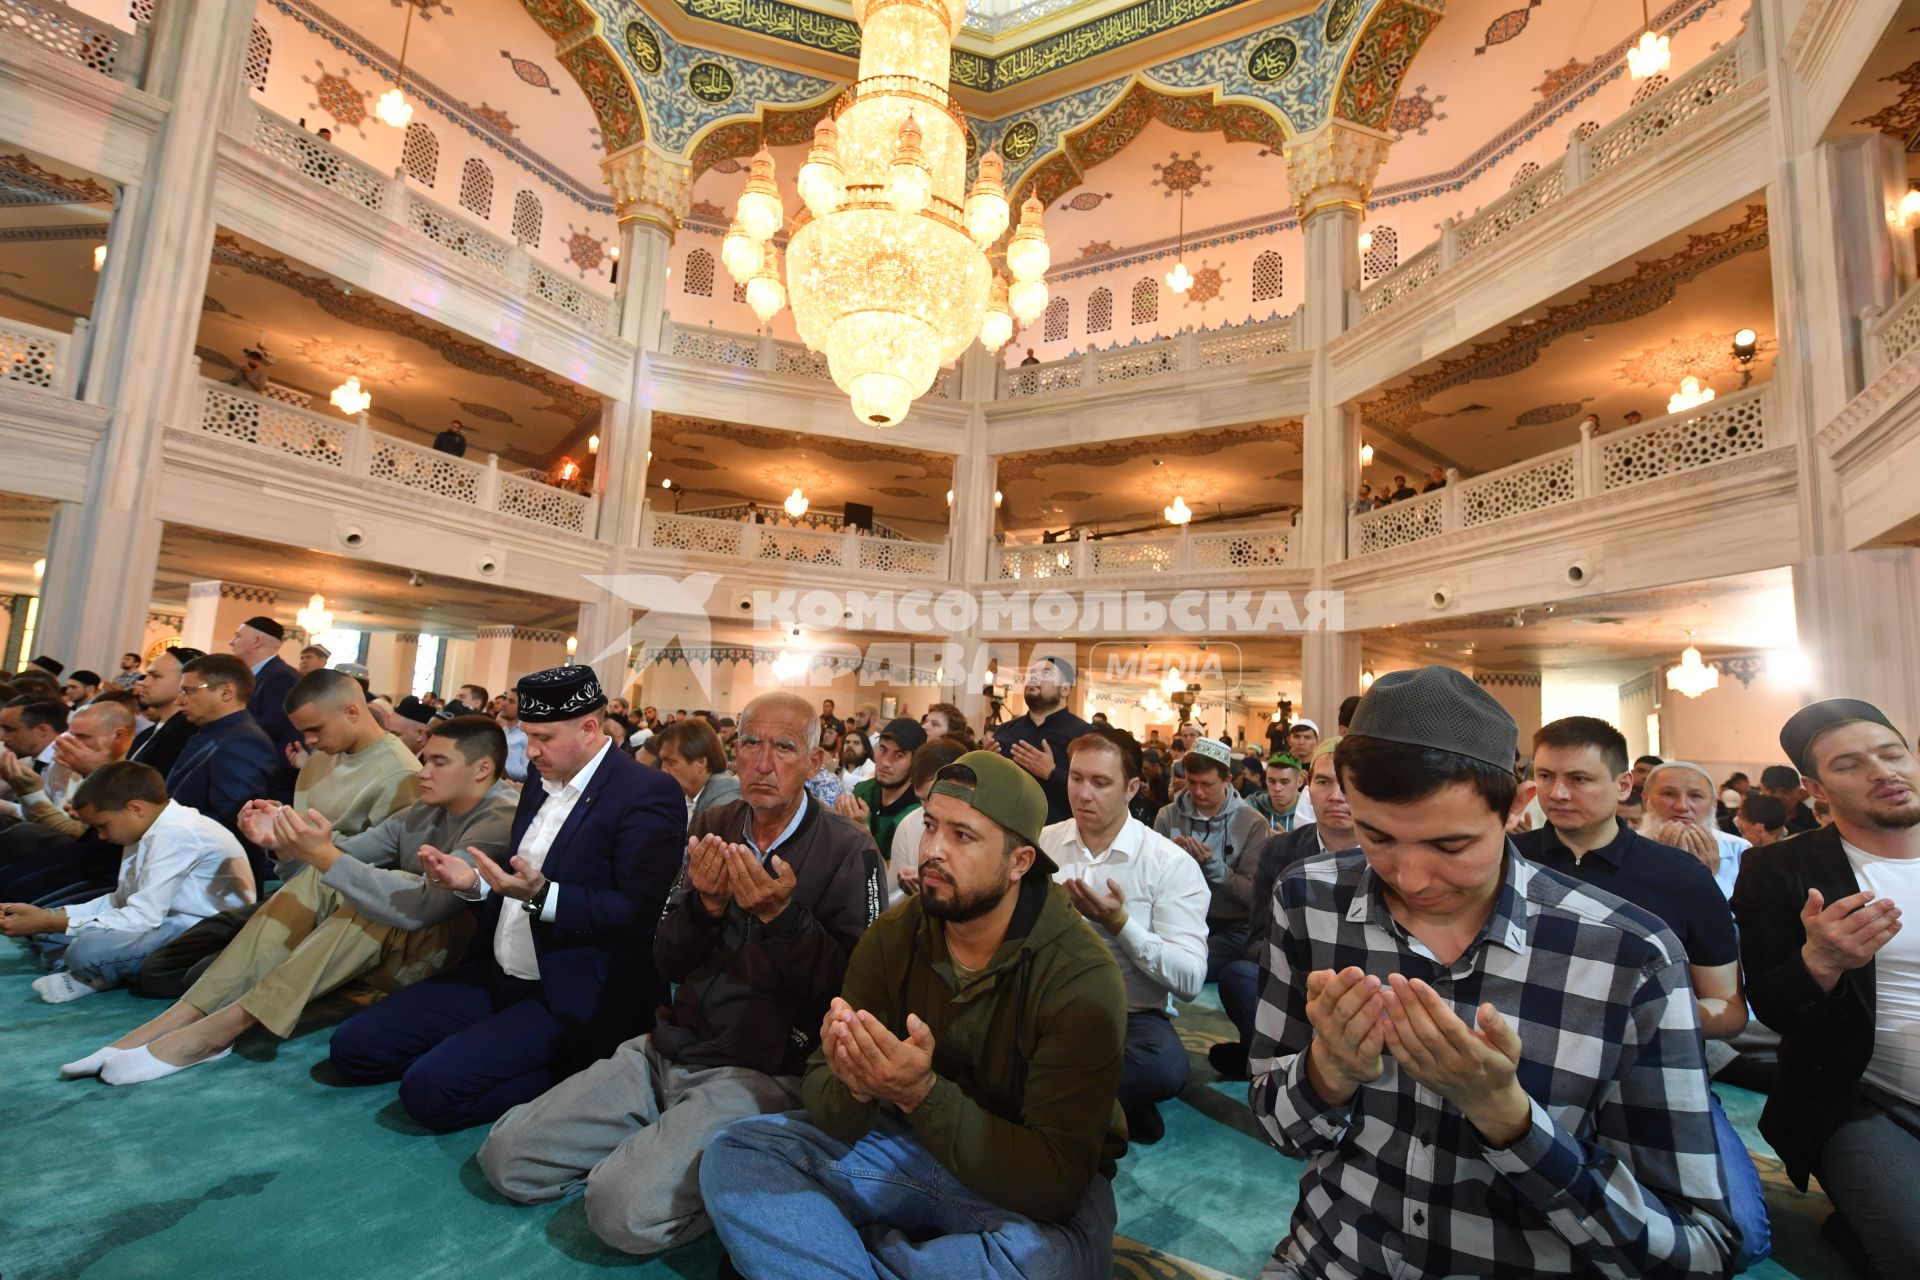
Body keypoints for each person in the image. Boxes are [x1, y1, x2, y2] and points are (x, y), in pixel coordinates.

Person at [1250, 667, 1736, 1277]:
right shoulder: (1309, 900)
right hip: (1331, 1257)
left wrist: (1511, 1121)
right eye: (1377, 837)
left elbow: (1697, 1249)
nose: (1410, 877)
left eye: (1450, 846)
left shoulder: (1625, 955)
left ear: (1517, 809)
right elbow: (1278, 1127)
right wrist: (1329, 1072)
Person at [476, 692, 881, 1254]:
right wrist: (706, 908)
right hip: (673, 1043)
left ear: (815, 764)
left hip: (761, 1070)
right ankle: (666, 1148)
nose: (763, 764)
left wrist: (780, 918)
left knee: (619, 1214)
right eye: (749, 745)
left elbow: (852, 995)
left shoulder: (850, 850)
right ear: (732, 754)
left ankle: (735, 1164)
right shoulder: (715, 821)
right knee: (507, 1158)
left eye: (784, 748)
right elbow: (668, 959)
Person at [699, 751, 1127, 1278]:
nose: (933, 851)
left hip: (1021, 1190)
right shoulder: (898, 933)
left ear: (1020, 863)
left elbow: (1056, 1184)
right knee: (736, 1152)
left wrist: (920, 1093)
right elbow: (825, 1096)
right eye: (929, 826)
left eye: (963, 836)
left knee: (1050, 1263)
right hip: (902, 1147)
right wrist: (854, 1083)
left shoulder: (1081, 976)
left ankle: (842, 1255)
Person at [325, 666, 686, 1132]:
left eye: (543, 737)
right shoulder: (540, 778)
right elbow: (515, 883)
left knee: (429, 1094)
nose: (529, 750)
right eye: (526, 734)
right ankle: (486, 1048)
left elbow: (638, 913)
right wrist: (473, 884)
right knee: (354, 1048)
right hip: (500, 970)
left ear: (590, 728)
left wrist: (544, 896)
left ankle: (582, 1066)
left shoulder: (647, 792)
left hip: (574, 990)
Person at [65, 717, 518, 1085]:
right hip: (388, 941)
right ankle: (179, 1018)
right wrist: (286, 846)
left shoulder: (500, 816)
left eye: (439, 762)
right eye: (424, 760)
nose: (422, 771)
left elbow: (424, 909)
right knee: (327, 873)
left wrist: (322, 854)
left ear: (481, 769)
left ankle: (222, 1029)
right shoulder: (422, 810)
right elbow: (331, 866)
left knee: (379, 885)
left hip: (447, 958)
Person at [1515, 716, 1768, 1269]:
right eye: (1546, 775)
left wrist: (1639, 1014)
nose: (1558, 793)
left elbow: (1728, 1008)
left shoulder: (1679, 876)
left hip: (1652, 1074)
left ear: (1623, 785)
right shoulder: (1510, 862)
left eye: (1580, 778)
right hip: (1531, 1065)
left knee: (1739, 1239)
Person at [1733, 698, 1920, 1279]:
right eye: (1851, 764)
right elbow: (1772, 1005)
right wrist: (1821, 960)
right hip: (1865, 1095)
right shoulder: (1782, 871)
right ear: (1815, 787)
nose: (1883, 772)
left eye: (1892, 754)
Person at [137, 667, 426, 998]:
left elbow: (381, 879)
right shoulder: (321, 759)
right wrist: (278, 842)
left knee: (199, 982)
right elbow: (297, 865)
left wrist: (300, 850)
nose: (309, 741)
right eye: (303, 731)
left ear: (351, 711)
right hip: (294, 891)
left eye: (316, 729)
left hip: (339, 911)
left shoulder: (402, 773)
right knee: (160, 969)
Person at [1041, 727, 1207, 1144]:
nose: (1083, 794)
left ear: (1132, 787)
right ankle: (1110, 1109)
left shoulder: (1169, 864)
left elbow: (1189, 979)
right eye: (1076, 778)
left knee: (1165, 1066)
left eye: (1100, 783)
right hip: (1043, 1002)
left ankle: (1058, 1103)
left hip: (1130, 1017)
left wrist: (1121, 926)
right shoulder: (1044, 843)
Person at [0, 762, 254, 1003]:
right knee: (50, 932)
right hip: (162, 922)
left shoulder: (177, 833)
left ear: (135, 808)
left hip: (200, 930)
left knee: (86, 950)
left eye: (102, 825)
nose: (100, 836)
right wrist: (50, 916)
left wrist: (51, 921)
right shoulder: (146, 828)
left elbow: (143, 918)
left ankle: (90, 975)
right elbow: (120, 900)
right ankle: (87, 970)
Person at [1210, 738, 1357, 1081]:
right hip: (1294, 980)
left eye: (1349, 785)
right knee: (1238, 977)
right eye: (1324, 782)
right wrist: (1306, 972)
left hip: (1362, 983)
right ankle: (1279, 1058)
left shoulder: (1388, 852)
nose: (1336, 796)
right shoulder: (1281, 850)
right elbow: (1258, 938)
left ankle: (1265, 1060)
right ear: (1309, 786)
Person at [1153, 736, 1267, 981]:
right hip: (1176, 919)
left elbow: (1252, 895)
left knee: (1182, 966)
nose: (1196, 791)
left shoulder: (1253, 823)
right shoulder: (1168, 816)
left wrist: (1212, 866)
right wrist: (1175, 865)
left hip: (1231, 925)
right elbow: (1150, 877)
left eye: (1206, 783)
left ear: (1227, 779)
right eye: (1191, 782)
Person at [163, 654, 282, 858]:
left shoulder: (244, 742)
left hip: (211, 869)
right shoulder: (214, 731)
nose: (179, 701)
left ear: (226, 692)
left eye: (188, 691)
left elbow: (232, 822)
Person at [990, 654, 1091, 826]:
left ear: (1064, 689)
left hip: (1060, 836)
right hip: (1006, 829)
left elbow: (1093, 792)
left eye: (1046, 673)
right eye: (1032, 673)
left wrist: (1052, 773)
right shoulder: (1003, 732)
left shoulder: (1087, 736)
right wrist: (985, 764)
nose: (1034, 677)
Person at [1642, 760, 1752, 901]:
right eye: (1669, 794)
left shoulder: (1740, 850)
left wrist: (1707, 877)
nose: (1682, 806)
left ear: (1713, 804)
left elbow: (1742, 918)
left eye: (1695, 796)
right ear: (1646, 799)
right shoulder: (1627, 846)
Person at [887, 737, 970, 896]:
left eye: (932, 797)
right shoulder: (909, 825)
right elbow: (891, 897)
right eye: (922, 799)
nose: (928, 809)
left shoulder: (983, 828)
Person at [840, 717, 926, 857]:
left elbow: (890, 876)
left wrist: (864, 833)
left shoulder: (917, 813)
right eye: (883, 750)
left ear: (916, 761)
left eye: (899, 755)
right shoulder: (863, 790)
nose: (885, 762)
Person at [229, 615, 300, 769]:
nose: (231, 642)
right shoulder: (254, 674)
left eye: (238, 636)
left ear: (257, 641)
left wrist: (227, 717)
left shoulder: (282, 676)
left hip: (266, 766)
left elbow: (272, 724)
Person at [655, 717, 740, 821]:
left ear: (700, 763)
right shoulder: (686, 796)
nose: (663, 769)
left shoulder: (725, 801)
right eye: (662, 761)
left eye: (671, 762)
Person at [1759, 763, 1820, 834]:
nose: (1778, 797)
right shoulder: (1751, 821)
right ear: (1761, 789)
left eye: (1785, 791)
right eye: (1772, 791)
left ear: (1799, 792)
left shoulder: (1816, 822)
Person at [1249, 753, 1303, 833]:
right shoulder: (1252, 805)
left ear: (1299, 782)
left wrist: (1287, 843)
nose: (1277, 788)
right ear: (1266, 781)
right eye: (1271, 781)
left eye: (1284, 782)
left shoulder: (1310, 810)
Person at [496, 688, 528, 782]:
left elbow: (529, 772)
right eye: (505, 699)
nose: (503, 704)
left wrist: (501, 770)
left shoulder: (527, 736)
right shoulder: (503, 731)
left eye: (511, 701)